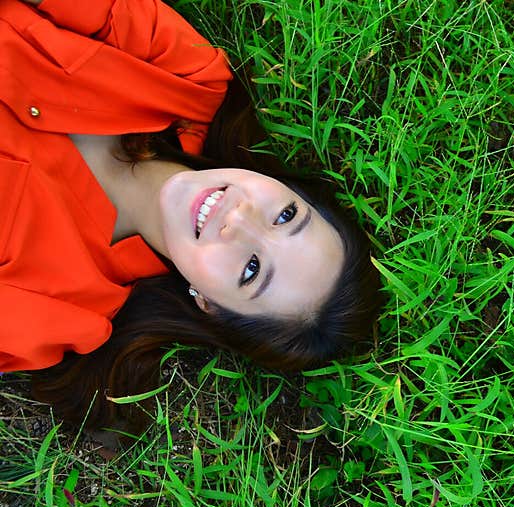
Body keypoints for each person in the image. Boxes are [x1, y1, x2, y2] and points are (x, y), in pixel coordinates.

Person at [0, 0, 385, 429]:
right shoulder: (187, 78)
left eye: (251, 270)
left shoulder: (56, 307)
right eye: (285, 217)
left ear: (208, 305)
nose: (239, 219)